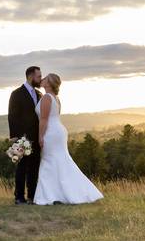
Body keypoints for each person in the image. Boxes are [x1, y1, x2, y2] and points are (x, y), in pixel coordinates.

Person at [32, 73, 104, 206]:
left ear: (49, 83)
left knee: (50, 160)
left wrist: (40, 136)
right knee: (59, 160)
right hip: (57, 131)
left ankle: (50, 195)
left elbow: (44, 119)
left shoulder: (47, 97)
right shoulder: (56, 98)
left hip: (51, 132)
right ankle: (57, 194)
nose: (42, 79)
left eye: (45, 78)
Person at [7, 66, 42, 204]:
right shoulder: (16, 93)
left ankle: (32, 196)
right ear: (30, 77)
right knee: (21, 167)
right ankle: (19, 197)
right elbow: (12, 116)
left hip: (36, 136)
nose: (40, 79)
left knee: (34, 167)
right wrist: (14, 136)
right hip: (21, 137)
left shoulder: (39, 94)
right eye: (38, 76)